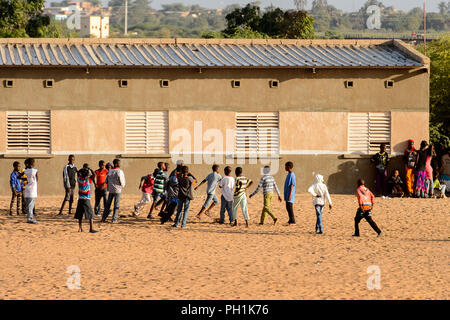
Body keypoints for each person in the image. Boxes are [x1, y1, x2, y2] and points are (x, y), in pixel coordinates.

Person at [101, 159, 126, 223]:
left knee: (108, 204)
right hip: (117, 190)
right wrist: (122, 185)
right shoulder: (119, 171)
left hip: (111, 190)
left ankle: (103, 218)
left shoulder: (110, 171)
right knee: (116, 204)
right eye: (119, 163)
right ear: (116, 164)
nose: (120, 164)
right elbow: (122, 181)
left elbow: (106, 180)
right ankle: (114, 219)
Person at [74, 167, 98, 233]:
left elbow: (78, 174)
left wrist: (79, 171)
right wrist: (90, 169)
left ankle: (80, 228)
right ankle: (91, 228)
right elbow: (94, 175)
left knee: (80, 214)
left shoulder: (79, 180)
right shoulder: (88, 180)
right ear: (87, 175)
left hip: (80, 199)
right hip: (86, 199)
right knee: (90, 214)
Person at [23, 158, 38, 224]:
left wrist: (25, 179)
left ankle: (30, 217)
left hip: (27, 188)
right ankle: (29, 218)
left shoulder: (25, 171)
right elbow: (37, 178)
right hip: (32, 189)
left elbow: (19, 176)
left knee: (29, 204)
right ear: (31, 164)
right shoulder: (35, 171)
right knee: (31, 204)